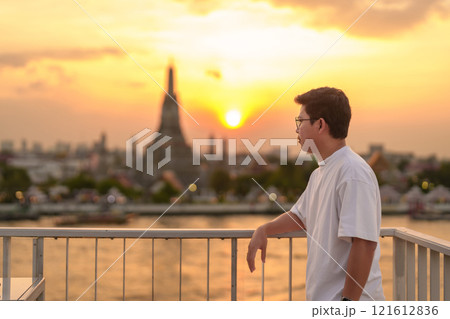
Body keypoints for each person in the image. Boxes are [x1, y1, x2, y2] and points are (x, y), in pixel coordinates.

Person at [246, 87, 385, 301]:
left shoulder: (353, 172)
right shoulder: (320, 173)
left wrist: (347, 305)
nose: (296, 130)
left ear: (320, 124)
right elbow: (300, 216)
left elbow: (365, 244)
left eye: (300, 122)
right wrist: (265, 229)